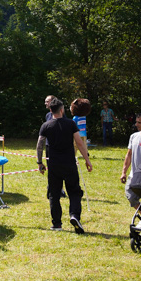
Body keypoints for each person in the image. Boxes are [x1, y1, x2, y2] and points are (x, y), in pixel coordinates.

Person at [36, 97, 93, 233]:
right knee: (74, 192)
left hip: (54, 165)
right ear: (62, 110)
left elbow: (39, 145)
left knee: (54, 194)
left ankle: (57, 224)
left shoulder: (46, 126)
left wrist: (40, 163)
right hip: (69, 164)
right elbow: (79, 143)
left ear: (50, 110)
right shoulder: (70, 124)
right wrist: (87, 160)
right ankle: (74, 216)